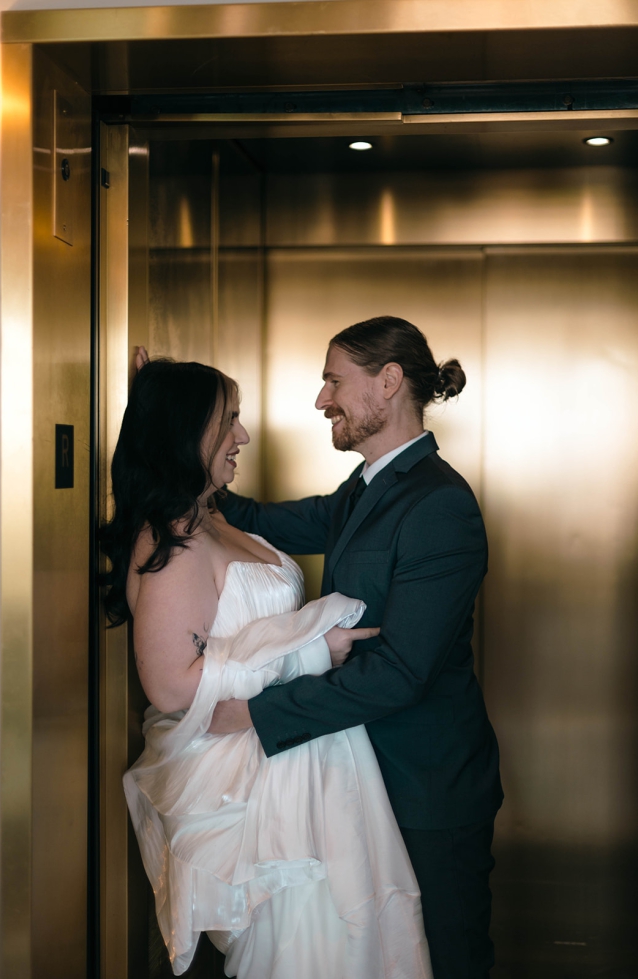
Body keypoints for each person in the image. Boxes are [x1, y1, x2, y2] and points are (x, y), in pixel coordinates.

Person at [106, 359, 432, 978]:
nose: (243, 435)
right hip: (240, 779)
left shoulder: (213, 522)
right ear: (186, 431)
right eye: (229, 419)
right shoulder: (173, 539)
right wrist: (310, 653)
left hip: (292, 753)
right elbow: (172, 684)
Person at [209, 316, 502, 979]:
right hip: (369, 779)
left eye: (333, 380)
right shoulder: (366, 487)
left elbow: (401, 672)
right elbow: (254, 521)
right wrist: (177, 436)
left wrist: (256, 711)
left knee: (445, 958)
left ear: (388, 380)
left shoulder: (440, 505)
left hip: (428, 789)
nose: (321, 400)